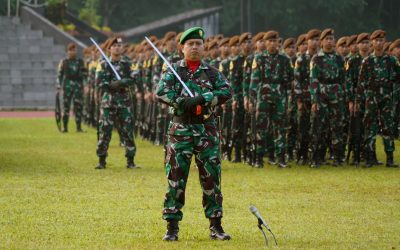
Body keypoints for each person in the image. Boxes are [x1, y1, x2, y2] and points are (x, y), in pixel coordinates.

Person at [156, 27, 232, 241]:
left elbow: (227, 91)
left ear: (203, 47)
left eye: (198, 44)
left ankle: (215, 226)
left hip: (206, 130)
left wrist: (204, 98)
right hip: (180, 131)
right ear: (182, 48)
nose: (195, 47)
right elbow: (161, 92)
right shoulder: (173, 71)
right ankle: (172, 227)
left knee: (211, 178)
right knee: (176, 178)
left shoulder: (211, 72)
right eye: (190, 44)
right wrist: (182, 101)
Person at [355, 30, 399, 167]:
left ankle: (390, 159)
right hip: (371, 97)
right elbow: (361, 83)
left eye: (381, 40)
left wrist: (394, 97)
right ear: (372, 42)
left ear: (384, 42)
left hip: (386, 97)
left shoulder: (392, 60)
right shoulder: (367, 61)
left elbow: (398, 79)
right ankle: (370, 158)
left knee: (388, 127)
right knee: (370, 127)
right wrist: (359, 101)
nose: (379, 43)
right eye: (376, 40)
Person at [95, 37, 138, 169]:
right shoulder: (103, 63)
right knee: (105, 131)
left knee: (128, 131)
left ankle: (130, 160)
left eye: (120, 45)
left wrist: (125, 82)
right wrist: (113, 84)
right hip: (109, 102)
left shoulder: (128, 63)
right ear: (109, 49)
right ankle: (101, 161)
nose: (117, 47)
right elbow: (99, 82)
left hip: (125, 102)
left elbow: (135, 77)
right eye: (114, 45)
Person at [56, 43, 87, 133]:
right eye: (71, 50)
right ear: (67, 51)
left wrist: (85, 85)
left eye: (74, 50)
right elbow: (60, 75)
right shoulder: (64, 61)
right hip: (67, 86)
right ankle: (65, 127)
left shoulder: (80, 61)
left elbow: (85, 74)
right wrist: (58, 86)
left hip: (78, 85)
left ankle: (79, 127)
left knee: (78, 107)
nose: (72, 52)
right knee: (66, 107)